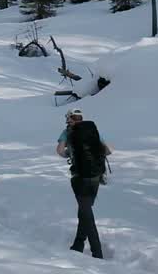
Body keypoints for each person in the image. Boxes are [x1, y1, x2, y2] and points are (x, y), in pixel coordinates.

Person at [56, 108, 110, 259]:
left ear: (69, 119)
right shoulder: (92, 130)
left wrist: (70, 154)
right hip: (95, 177)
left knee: (86, 213)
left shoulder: (67, 132)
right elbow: (108, 150)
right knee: (84, 210)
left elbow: (60, 150)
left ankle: (97, 253)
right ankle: (78, 245)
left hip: (79, 177)